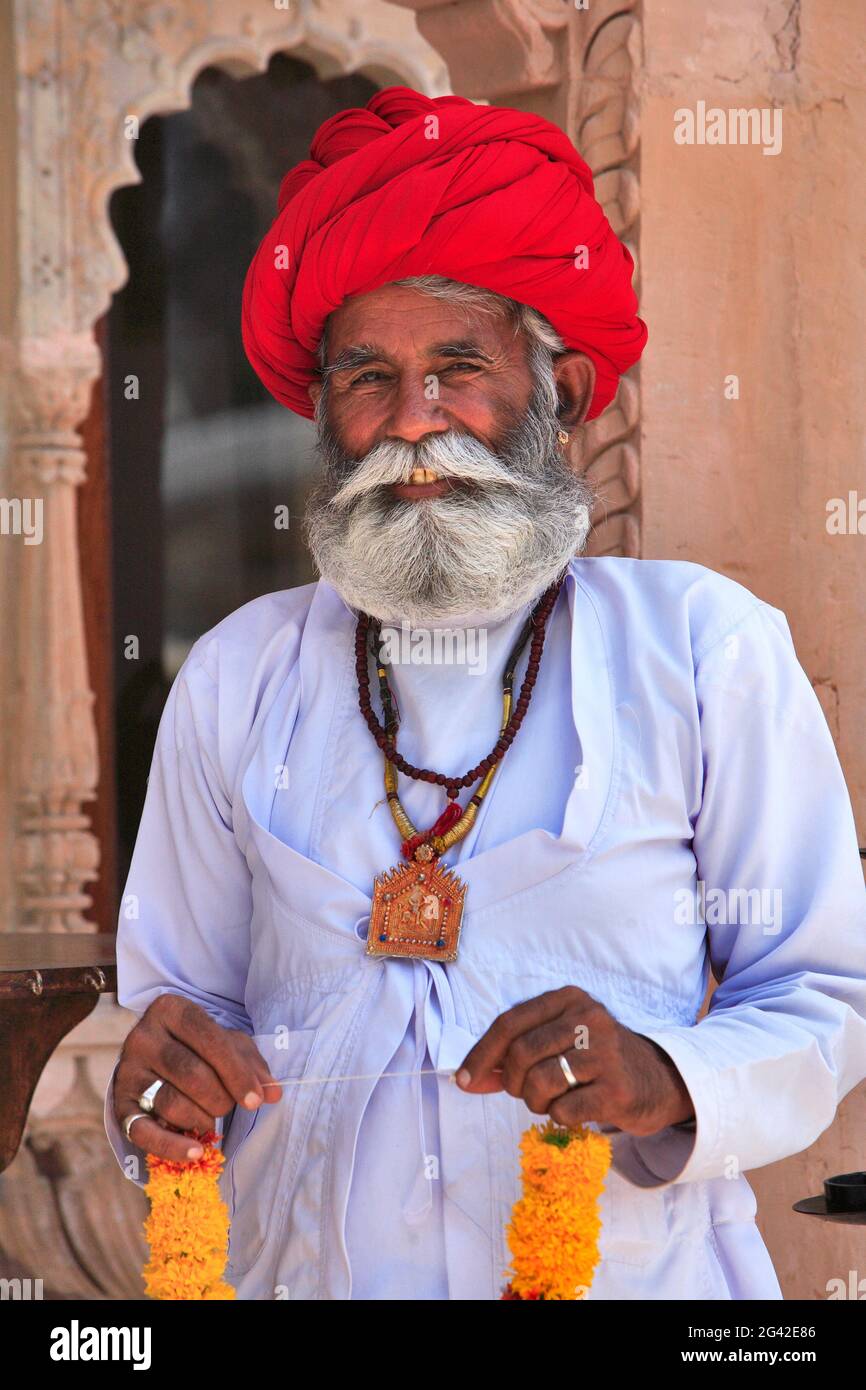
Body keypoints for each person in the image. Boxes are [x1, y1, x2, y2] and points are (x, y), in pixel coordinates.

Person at [104, 87, 866, 1301]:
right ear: (324, 414)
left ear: (555, 389)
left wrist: (663, 1074)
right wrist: (154, 1085)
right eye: (367, 378)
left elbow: (826, 996)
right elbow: (177, 1008)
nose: (414, 422)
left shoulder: (702, 646)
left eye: (458, 366)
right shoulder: (241, 672)